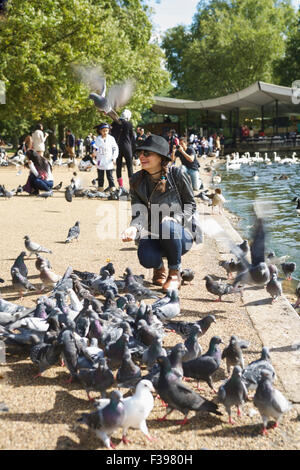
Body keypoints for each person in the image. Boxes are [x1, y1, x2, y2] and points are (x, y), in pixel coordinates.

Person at [121, 134, 196, 292]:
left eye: (147, 153)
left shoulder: (177, 175)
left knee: (168, 226)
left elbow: (191, 205)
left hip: (180, 232)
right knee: (146, 257)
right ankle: (159, 267)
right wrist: (134, 227)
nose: (141, 156)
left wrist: (176, 218)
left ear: (161, 157)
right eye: (140, 153)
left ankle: (175, 273)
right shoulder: (136, 180)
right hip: (153, 232)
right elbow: (138, 212)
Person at [110, 109, 135, 189]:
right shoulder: (129, 124)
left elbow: (112, 135)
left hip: (117, 147)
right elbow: (132, 137)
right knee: (129, 166)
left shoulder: (114, 123)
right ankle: (131, 186)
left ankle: (120, 186)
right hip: (127, 147)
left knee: (119, 166)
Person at [93, 123, 118, 192]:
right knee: (100, 176)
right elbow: (95, 149)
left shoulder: (111, 138)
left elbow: (115, 148)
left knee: (110, 176)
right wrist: (94, 152)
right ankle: (100, 188)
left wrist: (114, 157)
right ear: (100, 131)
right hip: (100, 159)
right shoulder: (97, 139)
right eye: (103, 131)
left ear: (108, 131)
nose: (105, 132)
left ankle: (112, 187)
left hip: (109, 159)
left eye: (106, 130)